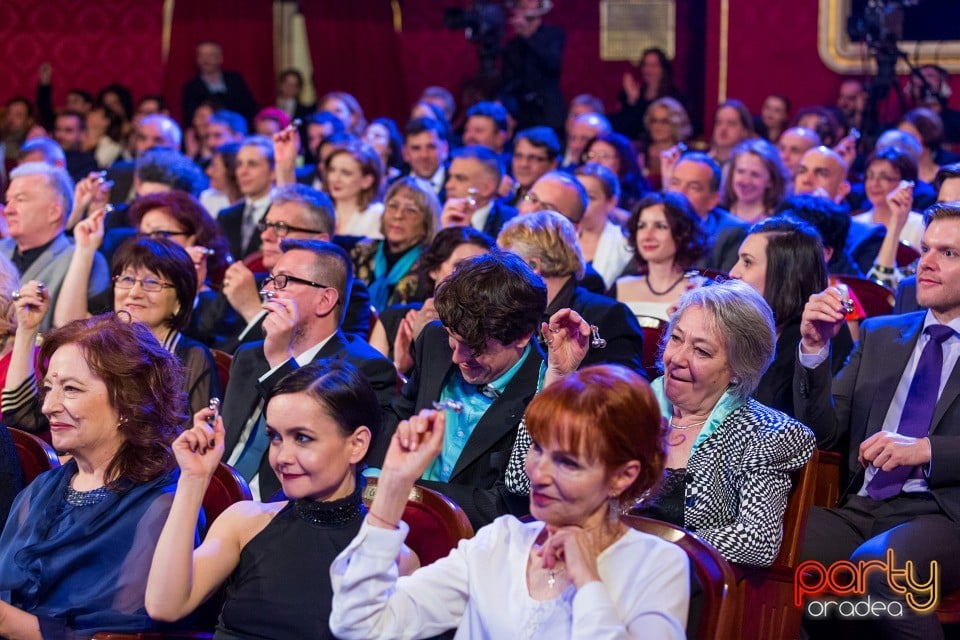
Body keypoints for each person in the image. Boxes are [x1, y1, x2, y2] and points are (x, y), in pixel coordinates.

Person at [330, 365, 690, 639]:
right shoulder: (500, 542)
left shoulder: (657, 565)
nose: (538, 472)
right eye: (537, 448)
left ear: (622, 476)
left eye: (566, 462)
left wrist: (588, 581)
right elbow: (360, 624)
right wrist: (394, 487)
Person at [146, 359, 411, 639]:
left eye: (303, 438)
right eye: (275, 437)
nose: (282, 457)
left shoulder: (392, 559)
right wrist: (194, 479)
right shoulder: (245, 522)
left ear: (356, 444)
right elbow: (165, 605)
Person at [795, 201, 960, 639]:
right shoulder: (880, 334)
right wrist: (815, 350)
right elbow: (824, 432)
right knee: (766, 537)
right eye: (925, 249)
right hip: (862, 508)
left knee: (877, 569)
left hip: (943, 515)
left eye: (948, 253)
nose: (926, 262)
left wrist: (926, 450)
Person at [0, 313, 187, 638]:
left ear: (128, 401)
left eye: (70, 389)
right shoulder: (42, 488)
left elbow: (118, 634)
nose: (48, 407)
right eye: (48, 389)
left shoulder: (162, 509)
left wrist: (10, 624)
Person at [630, 280, 815, 566]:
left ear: (738, 370)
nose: (677, 358)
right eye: (676, 339)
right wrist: (558, 373)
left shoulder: (765, 434)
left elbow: (758, 541)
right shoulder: (631, 408)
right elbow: (535, 481)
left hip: (687, 586)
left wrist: (659, 547)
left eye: (701, 351)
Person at [375, 251, 547, 527]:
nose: (457, 357)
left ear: (522, 336)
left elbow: (506, 504)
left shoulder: (545, 388)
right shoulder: (434, 339)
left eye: (475, 348)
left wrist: (410, 488)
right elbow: (401, 413)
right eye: (454, 341)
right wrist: (374, 476)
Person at [220, 239, 396, 501]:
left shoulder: (364, 370)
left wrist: (281, 363)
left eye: (283, 281)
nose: (268, 291)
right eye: (269, 280)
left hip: (286, 507)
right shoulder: (249, 356)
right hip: (217, 494)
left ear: (325, 300)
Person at [52, 220, 222, 415]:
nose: (134, 292)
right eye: (127, 279)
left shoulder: (193, 358)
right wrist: (84, 249)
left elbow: (195, 435)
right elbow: (69, 324)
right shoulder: (102, 347)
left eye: (151, 282)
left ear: (180, 300)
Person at [729, 217, 854, 416]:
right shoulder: (738, 323)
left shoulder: (821, 333)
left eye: (747, 262)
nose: (733, 272)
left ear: (784, 274)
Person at [498, 210, 645, 373]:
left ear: (533, 266)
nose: (501, 274)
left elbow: (627, 389)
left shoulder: (609, 315)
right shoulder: (518, 315)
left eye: (507, 264)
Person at [369, 227, 495, 374]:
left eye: (480, 271)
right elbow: (370, 389)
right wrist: (400, 369)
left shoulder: (492, 331)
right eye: (460, 267)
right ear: (434, 270)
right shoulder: (393, 320)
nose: (470, 278)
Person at [0, 162, 110, 331]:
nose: (8, 209)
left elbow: (76, 334)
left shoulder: (84, 259)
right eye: (8, 200)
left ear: (54, 212)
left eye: (20, 199)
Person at [612, 192, 708, 322]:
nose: (647, 236)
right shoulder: (619, 286)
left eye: (660, 226)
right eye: (642, 226)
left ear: (682, 233)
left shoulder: (700, 290)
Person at [350, 177, 439, 311]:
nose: (398, 215)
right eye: (393, 206)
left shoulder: (430, 267)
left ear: (427, 222)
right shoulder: (362, 251)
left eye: (410, 210)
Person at [660, 150, 748, 272]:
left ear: (713, 200)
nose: (680, 193)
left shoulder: (733, 233)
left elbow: (725, 287)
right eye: (675, 183)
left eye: (693, 187)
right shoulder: (654, 223)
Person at [499, 0, 565, 133]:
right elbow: (509, 79)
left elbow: (552, 64)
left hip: (548, 112)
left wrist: (528, 37)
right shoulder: (512, 45)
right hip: (522, 112)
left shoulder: (553, 34)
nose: (525, 5)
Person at [573, 163, 633, 289]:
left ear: (611, 202)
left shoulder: (624, 246)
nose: (581, 203)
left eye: (590, 197)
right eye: (578, 195)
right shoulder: (561, 238)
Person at [610, 47, 683, 141]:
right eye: (645, 65)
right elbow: (624, 129)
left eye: (654, 65)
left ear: (663, 69)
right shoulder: (633, 95)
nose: (648, 70)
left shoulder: (675, 98)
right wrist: (631, 101)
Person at [182, 41, 258, 125]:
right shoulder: (191, 88)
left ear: (220, 58)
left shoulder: (235, 80)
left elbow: (250, 108)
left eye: (210, 55)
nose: (205, 60)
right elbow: (189, 118)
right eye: (201, 55)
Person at [324, 140, 384, 239]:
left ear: (367, 181)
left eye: (346, 173)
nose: (335, 178)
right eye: (332, 170)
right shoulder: (320, 212)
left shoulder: (377, 215)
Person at [720, 138, 788, 224]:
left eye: (755, 174)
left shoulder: (778, 223)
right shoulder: (716, 215)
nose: (745, 181)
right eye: (741, 171)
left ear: (770, 181)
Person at [581, 131, 648, 211]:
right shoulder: (577, 194)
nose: (596, 161)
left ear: (623, 161)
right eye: (591, 155)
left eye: (605, 156)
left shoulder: (638, 203)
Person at [640, 97, 692, 190]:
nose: (658, 126)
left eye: (664, 121)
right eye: (654, 121)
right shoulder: (640, 152)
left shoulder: (685, 155)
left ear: (676, 124)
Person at [709, 99, 754, 167]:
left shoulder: (751, 166)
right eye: (718, 122)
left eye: (731, 123)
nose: (723, 128)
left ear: (745, 131)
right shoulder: (703, 164)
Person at [363, 117, 404, 184]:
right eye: (366, 134)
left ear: (390, 148)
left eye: (377, 136)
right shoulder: (356, 175)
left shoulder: (399, 179)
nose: (369, 138)